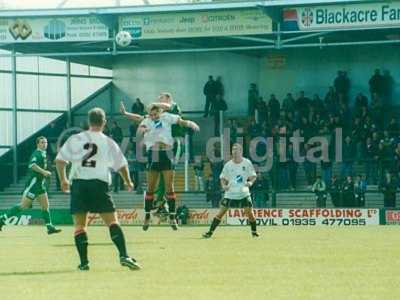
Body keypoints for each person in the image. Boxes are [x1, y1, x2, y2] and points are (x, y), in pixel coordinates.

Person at [55, 108, 140, 271]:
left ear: (88, 121)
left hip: (79, 184)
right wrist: (128, 181)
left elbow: (60, 161)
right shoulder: (108, 141)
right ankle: (124, 255)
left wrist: (63, 179)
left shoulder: (76, 138)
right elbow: (122, 165)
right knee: (112, 222)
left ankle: (84, 263)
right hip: (99, 185)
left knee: (80, 226)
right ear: (104, 122)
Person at [136, 104, 199, 231]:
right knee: (150, 188)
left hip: (167, 153)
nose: (153, 117)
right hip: (153, 155)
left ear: (160, 112)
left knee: (170, 187)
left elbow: (181, 121)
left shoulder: (167, 117)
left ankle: (172, 218)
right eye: (151, 115)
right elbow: (139, 131)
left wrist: (191, 123)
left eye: (155, 114)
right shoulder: (146, 121)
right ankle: (147, 216)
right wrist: (142, 131)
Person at [0, 137, 61, 234]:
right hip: (33, 185)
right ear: (38, 144)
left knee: (45, 206)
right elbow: (32, 165)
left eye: (46, 142)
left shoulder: (43, 154)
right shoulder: (36, 154)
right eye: (42, 142)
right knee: (23, 206)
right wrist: (44, 172)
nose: (45, 144)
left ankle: (49, 227)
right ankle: (2, 218)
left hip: (40, 185)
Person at [203, 143, 259, 238]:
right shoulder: (228, 165)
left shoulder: (247, 163)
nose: (235, 151)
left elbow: (253, 176)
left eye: (237, 149)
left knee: (250, 214)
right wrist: (224, 186)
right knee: (221, 213)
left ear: (241, 151)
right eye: (233, 149)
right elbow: (222, 178)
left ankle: (254, 232)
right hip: (230, 194)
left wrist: (250, 183)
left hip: (243, 193)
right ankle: (210, 232)